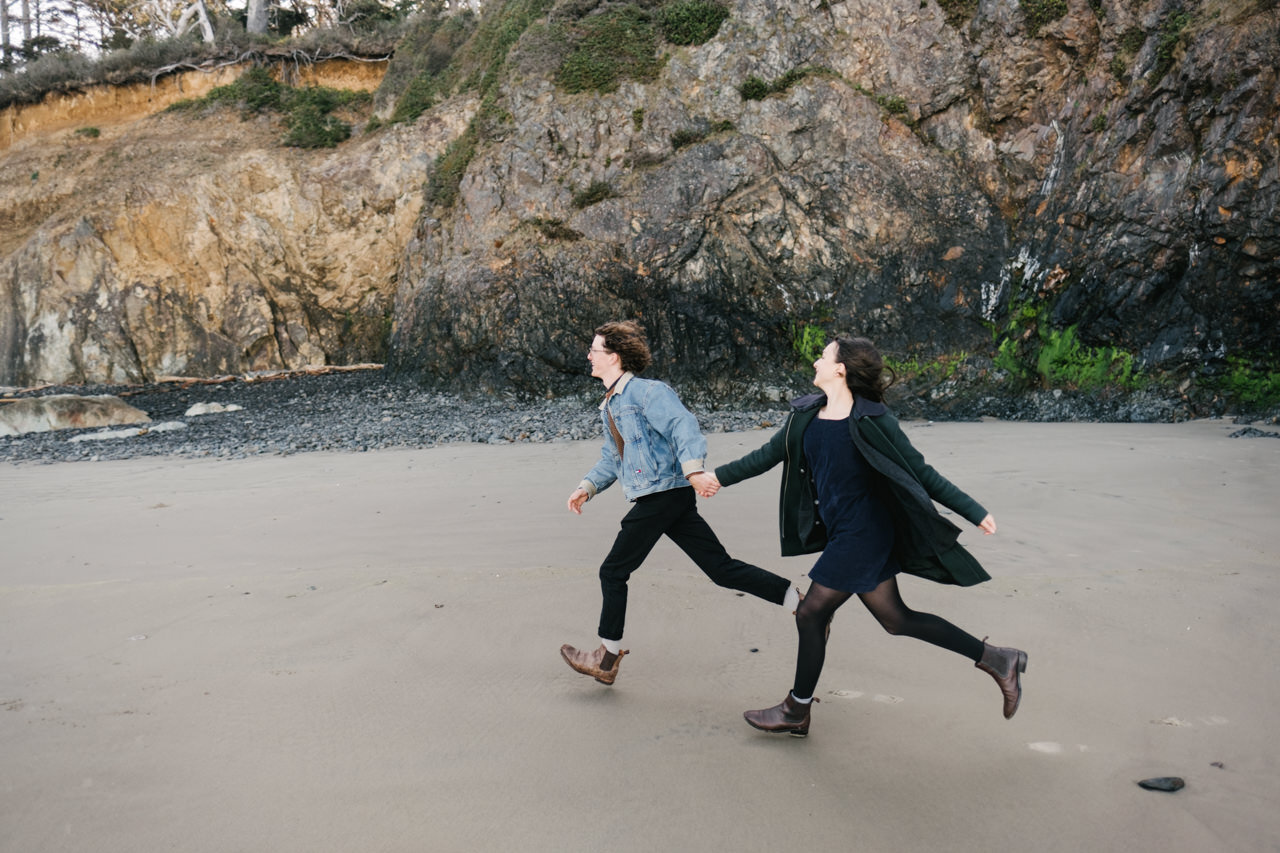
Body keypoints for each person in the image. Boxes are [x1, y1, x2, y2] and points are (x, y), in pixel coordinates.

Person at [702, 336, 1026, 735]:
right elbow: (767, 456)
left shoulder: (874, 420)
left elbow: (921, 472)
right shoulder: (806, 416)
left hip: (866, 533)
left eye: (824, 356)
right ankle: (997, 658)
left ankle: (795, 709)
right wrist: (716, 478)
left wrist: (974, 511)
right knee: (896, 619)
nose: (817, 361)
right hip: (844, 532)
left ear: (841, 369)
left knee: (811, 612)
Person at [560, 320, 800, 685]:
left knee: (613, 571)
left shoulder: (647, 392)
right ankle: (803, 604)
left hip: (662, 495)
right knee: (721, 569)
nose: (589, 355)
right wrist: (587, 487)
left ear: (615, 356)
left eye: (594, 350)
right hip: (667, 497)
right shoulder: (610, 404)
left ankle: (606, 658)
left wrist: (693, 471)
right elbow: (613, 456)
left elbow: (682, 426)